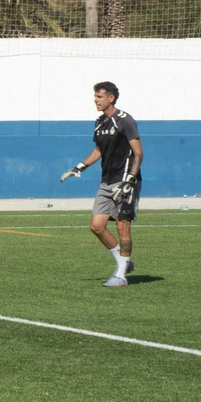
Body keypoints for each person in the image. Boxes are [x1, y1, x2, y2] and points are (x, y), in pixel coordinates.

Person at [60, 81, 143, 288]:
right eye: (95, 96)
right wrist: (79, 167)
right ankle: (124, 263)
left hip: (124, 181)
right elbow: (99, 150)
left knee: (123, 227)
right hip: (106, 181)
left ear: (111, 98)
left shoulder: (125, 120)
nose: (95, 100)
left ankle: (121, 275)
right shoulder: (99, 123)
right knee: (96, 226)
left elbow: (138, 153)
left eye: (99, 96)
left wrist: (130, 181)